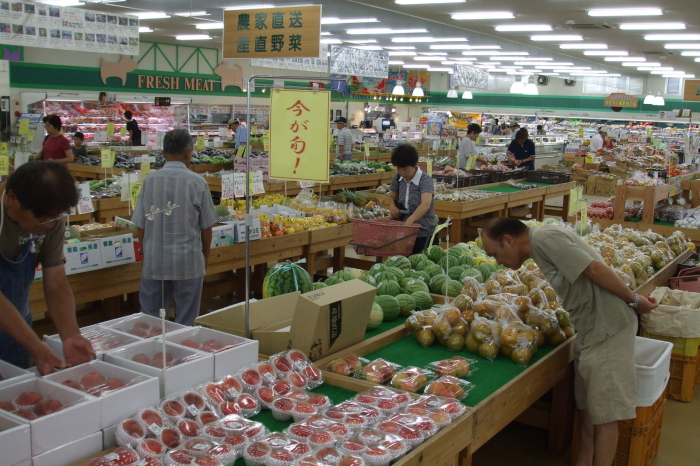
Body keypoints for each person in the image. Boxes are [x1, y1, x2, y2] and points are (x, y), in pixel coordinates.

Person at [480, 218, 658, 466]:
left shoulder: (543, 239)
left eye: (495, 253)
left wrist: (634, 300)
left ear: (508, 240)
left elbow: (594, 269)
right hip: (589, 330)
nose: (497, 261)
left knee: (606, 418)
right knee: (587, 412)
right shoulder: (540, 246)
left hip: (608, 329)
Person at [0, 161, 96, 373]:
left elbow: (56, 282)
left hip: (17, 330)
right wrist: (35, 345)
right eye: (42, 219)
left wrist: (70, 336)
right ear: (12, 199)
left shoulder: (51, 216)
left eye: (55, 218)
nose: (49, 225)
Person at [133, 129, 217, 326]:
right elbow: (206, 227)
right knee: (186, 320)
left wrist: (145, 250)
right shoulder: (197, 182)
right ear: (188, 153)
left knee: (150, 320)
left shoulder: (149, 180)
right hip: (187, 262)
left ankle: (150, 352)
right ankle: (182, 354)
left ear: (163, 153)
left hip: (155, 262)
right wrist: (205, 255)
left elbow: (141, 224)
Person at [389, 144, 438, 255]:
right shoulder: (397, 178)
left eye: (405, 169)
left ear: (415, 164)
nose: (402, 172)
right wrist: (392, 207)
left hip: (424, 230)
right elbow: (392, 196)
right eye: (399, 169)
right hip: (404, 231)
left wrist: (410, 220)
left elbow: (425, 204)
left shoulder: (425, 180)